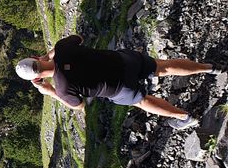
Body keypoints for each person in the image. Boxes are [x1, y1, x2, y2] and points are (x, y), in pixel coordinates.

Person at [15, 34, 223, 130]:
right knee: (163, 67)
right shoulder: (62, 48)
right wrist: (50, 54)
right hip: (124, 61)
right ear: (36, 58)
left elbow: (78, 106)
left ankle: (185, 117)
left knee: (142, 101)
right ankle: (211, 68)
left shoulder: (62, 88)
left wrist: (50, 91)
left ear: (37, 78)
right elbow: (78, 38)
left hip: (119, 87)